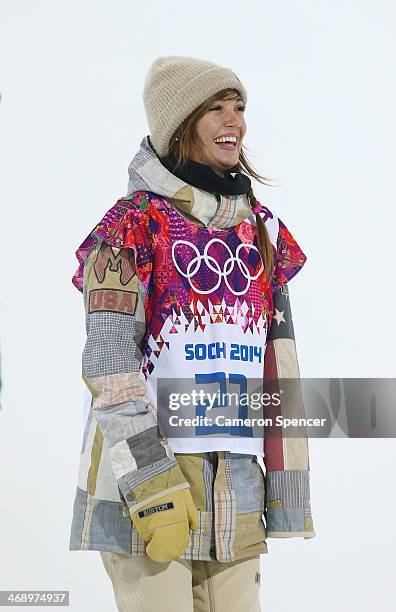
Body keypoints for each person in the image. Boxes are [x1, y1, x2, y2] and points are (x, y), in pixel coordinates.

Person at [69, 56, 315, 612]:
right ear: (179, 124)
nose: (236, 121)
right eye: (215, 108)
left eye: (239, 107)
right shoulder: (133, 225)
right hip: (148, 486)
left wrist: (286, 485)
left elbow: (279, 363)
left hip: (235, 488)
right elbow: (109, 363)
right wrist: (152, 481)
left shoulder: (261, 229)